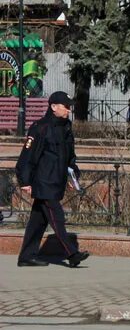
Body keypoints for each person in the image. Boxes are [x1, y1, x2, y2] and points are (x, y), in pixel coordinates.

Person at [15, 91, 89, 268]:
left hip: (57, 180)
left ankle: (27, 256)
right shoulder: (41, 127)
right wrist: (24, 181)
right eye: (66, 107)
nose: (68, 111)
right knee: (57, 218)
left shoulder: (66, 127)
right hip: (43, 181)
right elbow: (28, 156)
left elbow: (70, 155)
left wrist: (73, 174)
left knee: (38, 221)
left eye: (69, 107)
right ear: (53, 107)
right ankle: (72, 253)